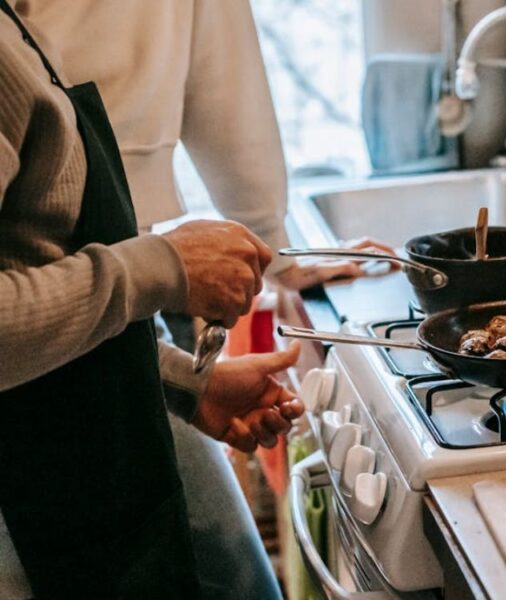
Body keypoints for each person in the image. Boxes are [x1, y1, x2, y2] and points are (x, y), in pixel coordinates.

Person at [16, 1, 395, 597]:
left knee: (229, 579)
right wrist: (162, 266)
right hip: (69, 360)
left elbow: (227, 84)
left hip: (107, 325)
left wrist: (174, 376)